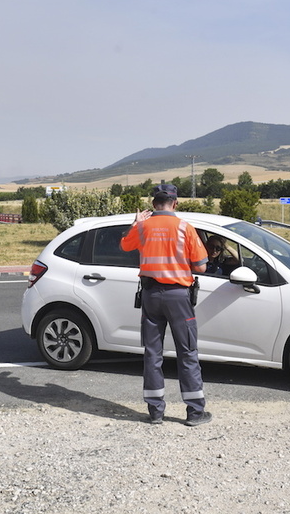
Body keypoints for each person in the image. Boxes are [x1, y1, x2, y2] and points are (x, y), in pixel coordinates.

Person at [120, 183, 212, 427]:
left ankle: (155, 412)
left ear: (153, 204)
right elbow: (201, 266)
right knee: (187, 351)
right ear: (176, 203)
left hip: (151, 296)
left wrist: (136, 222)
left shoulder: (142, 227)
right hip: (178, 296)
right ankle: (194, 412)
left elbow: (124, 246)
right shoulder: (184, 227)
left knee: (153, 353)